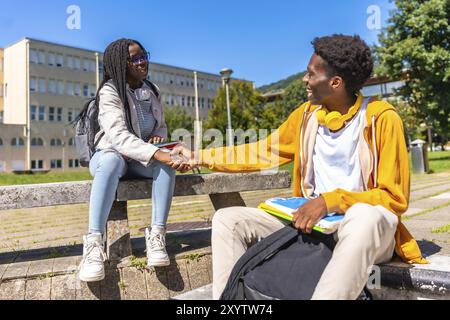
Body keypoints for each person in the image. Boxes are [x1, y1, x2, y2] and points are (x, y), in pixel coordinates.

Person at [175, 34, 427, 300]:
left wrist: (330, 201)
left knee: (364, 217)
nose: (305, 80)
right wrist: (198, 157)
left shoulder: (381, 118)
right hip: (313, 223)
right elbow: (260, 151)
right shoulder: (306, 116)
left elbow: (393, 199)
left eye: (310, 74)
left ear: (335, 82)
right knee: (228, 220)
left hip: (368, 228)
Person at [78, 39, 191, 282]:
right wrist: (159, 153)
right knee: (111, 162)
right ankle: (94, 243)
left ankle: (157, 235)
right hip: (110, 156)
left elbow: (160, 124)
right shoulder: (109, 92)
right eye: (136, 59)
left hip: (138, 159)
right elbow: (118, 138)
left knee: (167, 162)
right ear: (121, 63)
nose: (143, 62)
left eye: (144, 56)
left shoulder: (151, 89)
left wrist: (160, 138)